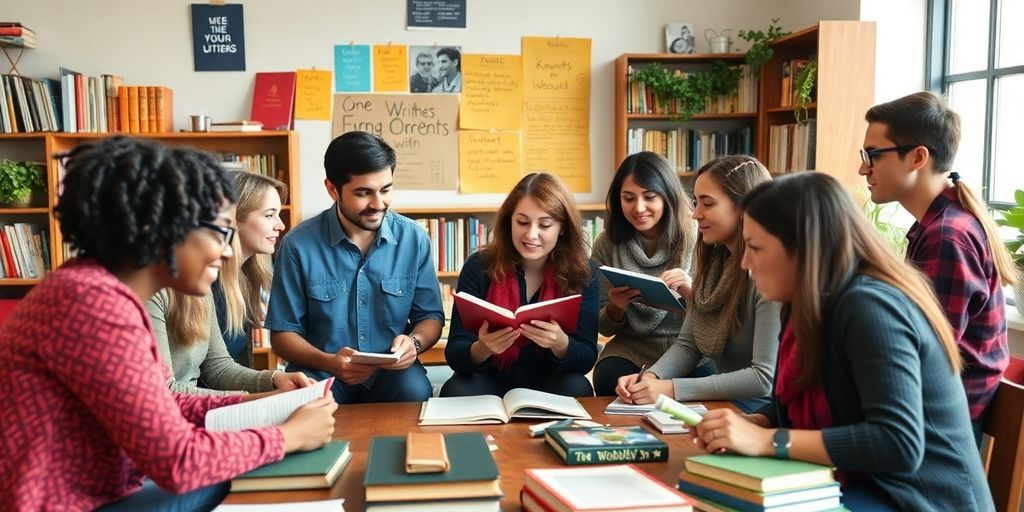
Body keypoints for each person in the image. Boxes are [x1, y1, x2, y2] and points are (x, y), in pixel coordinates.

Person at [0, 136, 336, 511]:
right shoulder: (91, 303)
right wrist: (284, 436)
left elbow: (164, 402)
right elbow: (178, 462)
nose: (226, 250)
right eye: (220, 232)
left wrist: (262, 405)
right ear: (160, 227)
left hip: (104, 491)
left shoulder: (102, 291)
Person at [692, 171, 993, 511]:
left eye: (756, 248)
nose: (745, 263)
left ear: (804, 248)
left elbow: (898, 443)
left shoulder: (870, 307)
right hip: (858, 485)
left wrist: (767, 440)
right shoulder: (805, 301)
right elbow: (794, 404)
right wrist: (758, 422)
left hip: (917, 500)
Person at [860, 91, 1017, 441]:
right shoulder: (935, 227)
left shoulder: (946, 237)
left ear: (917, 157)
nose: (862, 168)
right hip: (930, 418)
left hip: (938, 432)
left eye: (872, 155)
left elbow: (925, 356)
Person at [265, 131, 444, 404]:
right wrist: (330, 362)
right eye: (363, 193)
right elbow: (282, 334)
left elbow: (430, 316)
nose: (378, 203)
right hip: (322, 368)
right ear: (332, 189)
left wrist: (415, 343)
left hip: (392, 374)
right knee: (305, 401)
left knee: (416, 391)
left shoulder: (414, 238)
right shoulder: (297, 245)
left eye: (385, 190)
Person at [615, 155, 779, 413]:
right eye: (696, 202)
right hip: (725, 404)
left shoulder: (771, 274)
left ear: (743, 208)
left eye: (708, 203)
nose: (695, 214)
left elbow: (763, 379)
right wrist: (651, 379)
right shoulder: (714, 262)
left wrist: (670, 389)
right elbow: (688, 344)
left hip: (764, 411)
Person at [145, 171, 310, 396]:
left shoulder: (207, 283)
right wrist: (257, 400)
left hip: (200, 411)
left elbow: (218, 367)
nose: (281, 225)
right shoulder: (154, 289)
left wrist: (274, 379)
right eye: (269, 215)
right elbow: (164, 391)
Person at [441, 172, 600, 397]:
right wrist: (482, 348)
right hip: (488, 377)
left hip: (550, 379)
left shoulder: (585, 273)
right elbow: (455, 353)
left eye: (545, 225)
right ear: (510, 221)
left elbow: (585, 358)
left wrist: (561, 343)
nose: (531, 234)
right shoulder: (479, 266)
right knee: (454, 390)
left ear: (562, 227)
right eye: (522, 222)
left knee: (578, 388)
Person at [591, 152, 698, 396]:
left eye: (649, 197)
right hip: (632, 347)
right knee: (608, 378)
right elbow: (604, 328)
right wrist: (615, 309)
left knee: (706, 382)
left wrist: (691, 292)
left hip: (689, 348)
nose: (638, 208)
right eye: (628, 198)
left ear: (668, 196)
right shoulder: (607, 243)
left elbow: (716, 319)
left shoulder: (697, 236)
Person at [217, 171, 288, 368]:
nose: (280, 225)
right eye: (269, 215)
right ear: (233, 219)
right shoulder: (206, 284)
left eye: (279, 214)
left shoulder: (246, 279)